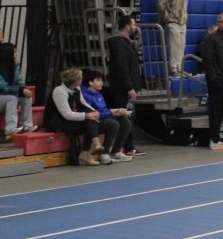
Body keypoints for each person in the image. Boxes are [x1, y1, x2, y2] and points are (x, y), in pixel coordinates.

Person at [42, 68, 112, 166]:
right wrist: (87, 115)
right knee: (89, 122)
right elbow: (67, 114)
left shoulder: (77, 89)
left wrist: (94, 112)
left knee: (92, 118)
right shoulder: (59, 91)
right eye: (80, 78)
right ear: (75, 80)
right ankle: (90, 148)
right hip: (58, 123)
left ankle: (93, 147)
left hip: (70, 120)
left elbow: (84, 104)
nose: (82, 79)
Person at [0, 42, 36, 139]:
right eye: (14, 52)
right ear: (7, 54)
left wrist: (23, 89)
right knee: (12, 97)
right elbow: (2, 88)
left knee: (27, 96)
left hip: (3, 97)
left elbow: (19, 82)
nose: (17, 54)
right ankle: (10, 129)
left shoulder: (14, 65)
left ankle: (27, 126)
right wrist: (20, 90)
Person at [106, 14, 145, 157]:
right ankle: (124, 147)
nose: (135, 27)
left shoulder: (125, 42)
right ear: (127, 26)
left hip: (126, 87)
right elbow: (121, 67)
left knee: (129, 117)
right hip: (122, 89)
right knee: (126, 117)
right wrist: (129, 87)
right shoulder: (118, 43)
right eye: (133, 24)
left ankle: (128, 147)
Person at [198, 12, 223, 150]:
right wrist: (214, 78)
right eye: (222, 21)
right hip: (217, 82)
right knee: (215, 111)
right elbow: (208, 61)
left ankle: (216, 138)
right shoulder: (212, 39)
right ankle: (213, 139)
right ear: (218, 23)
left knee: (221, 111)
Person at [79, 70, 133, 164]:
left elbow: (104, 110)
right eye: (98, 80)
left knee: (126, 122)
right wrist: (112, 113)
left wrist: (119, 111)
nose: (102, 82)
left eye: (102, 80)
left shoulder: (98, 94)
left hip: (103, 119)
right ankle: (104, 153)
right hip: (92, 123)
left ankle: (115, 152)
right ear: (90, 82)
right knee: (113, 124)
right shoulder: (85, 96)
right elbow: (94, 114)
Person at [157, 0, 190, 77]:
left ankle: (180, 68)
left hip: (182, 20)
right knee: (174, 45)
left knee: (181, 45)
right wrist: (164, 16)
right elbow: (161, 1)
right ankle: (173, 68)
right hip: (172, 19)